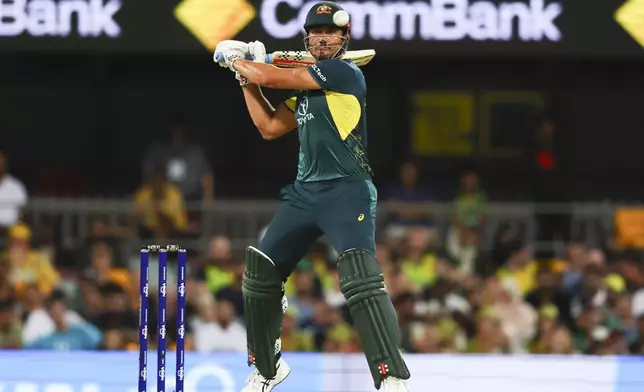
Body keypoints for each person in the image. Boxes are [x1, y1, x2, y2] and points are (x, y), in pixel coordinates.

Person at [215, 2, 410, 391]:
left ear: (343, 38)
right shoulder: (307, 89)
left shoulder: (345, 72)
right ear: (307, 38)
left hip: (347, 190)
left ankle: (390, 377)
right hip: (305, 192)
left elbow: (272, 76)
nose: (321, 38)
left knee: (360, 280)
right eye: (315, 32)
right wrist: (245, 78)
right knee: (260, 272)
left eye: (329, 33)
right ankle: (268, 370)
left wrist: (238, 61)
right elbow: (269, 126)